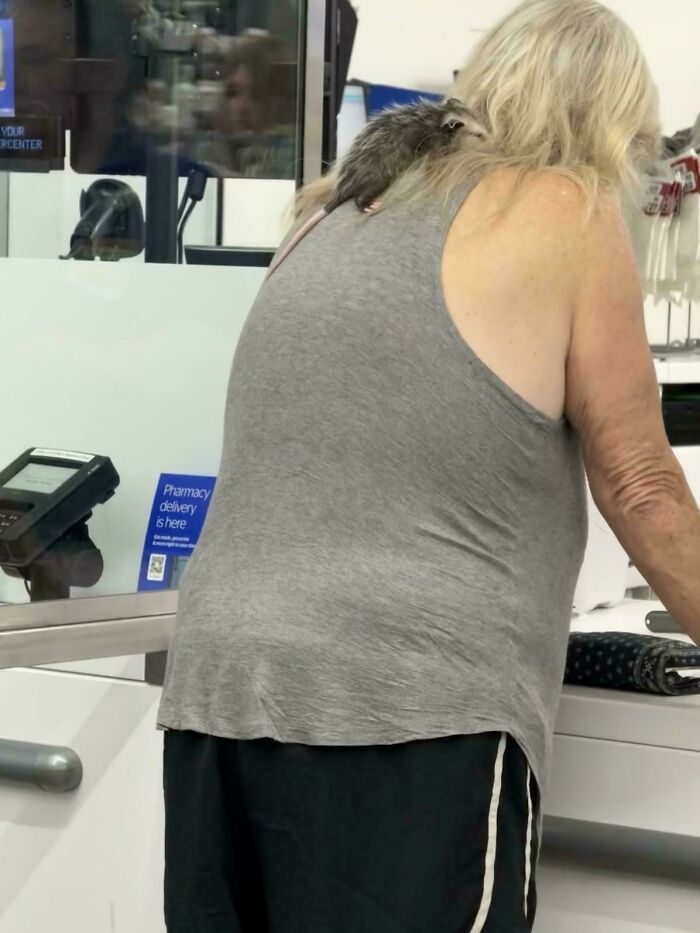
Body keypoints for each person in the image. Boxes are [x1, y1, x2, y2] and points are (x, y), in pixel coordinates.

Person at [157, 1, 700, 930]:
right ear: (612, 124)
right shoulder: (564, 206)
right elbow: (642, 483)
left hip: (218, 696)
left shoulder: (329, 211)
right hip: (405, 712)